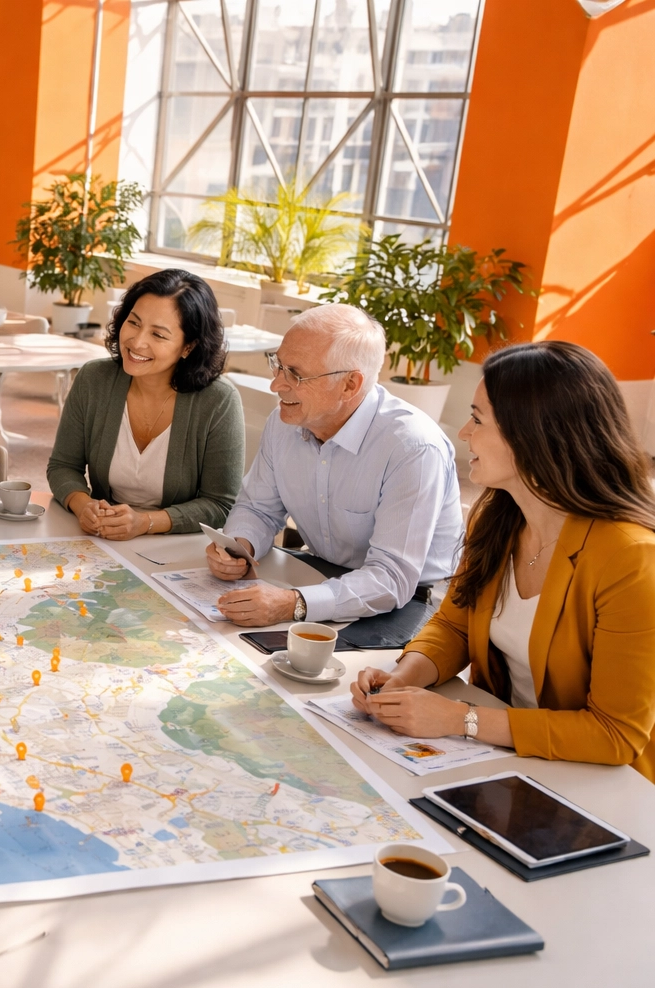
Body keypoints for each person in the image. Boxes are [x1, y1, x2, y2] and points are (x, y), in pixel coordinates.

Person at [354, 343, 655, 781]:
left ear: (533, 435)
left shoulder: (632, 559)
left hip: (599, 783)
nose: (463, 433)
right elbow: (455, 625)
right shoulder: (497, 517)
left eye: (477, 419)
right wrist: (404, 677)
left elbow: (615, 735)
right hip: (504, 758)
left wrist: (461, 719)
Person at [207, 303, 462, 626]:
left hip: (416, 606)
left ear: (350, 385)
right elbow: (258, 508)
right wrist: (239, 547)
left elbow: (392, 577)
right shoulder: (284, 422)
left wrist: (293, 604)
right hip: (323, 577)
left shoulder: (413, 448)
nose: (276, 385)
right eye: (278, 365)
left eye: (296, 374)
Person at [47, 269, 243, 539]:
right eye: (134, 323)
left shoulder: (219, 401)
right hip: (103, 541)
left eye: (158, 335)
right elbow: (63, 466)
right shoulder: (94, 379)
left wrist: (146, 522)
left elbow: (220, 504)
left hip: (177, 547)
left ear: (188, 347)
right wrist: (83, 506)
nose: (137, 342)